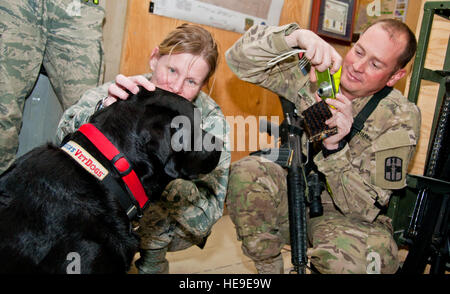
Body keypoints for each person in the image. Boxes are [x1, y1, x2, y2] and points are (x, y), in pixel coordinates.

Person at [225, 19, 420, 274]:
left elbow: (362, 210)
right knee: (246, 172)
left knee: (358, 264)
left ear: (395, 76)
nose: (357, 67)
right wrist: (295, 37)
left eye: (375, 64)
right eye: (359, 51)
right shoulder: (317, 73)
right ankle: (268, 269)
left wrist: (335, 147)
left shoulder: (399, 117)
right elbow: (239, 61)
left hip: (344, 217)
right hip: (294, 193)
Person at [56, 23, 231, 274]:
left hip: (170, 223)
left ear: (203, 86)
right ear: (153, 59)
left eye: (191, 81)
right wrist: (103, 114)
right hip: (102, 214)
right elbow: (62, 136)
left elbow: (206, 217)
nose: (177, 87)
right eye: (172, 70)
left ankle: (152, 261)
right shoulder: (123, 92)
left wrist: (160, 179)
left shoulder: (210, 121)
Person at [0, 0, 105, 174]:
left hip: (75, 7)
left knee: (91, 123)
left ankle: (78, 198)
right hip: (15, 5)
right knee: (3, 111)